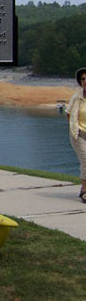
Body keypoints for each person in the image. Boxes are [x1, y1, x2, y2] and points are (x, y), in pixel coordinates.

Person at [66, 67, 86, 201]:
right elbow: (68, 114)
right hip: (79, 134)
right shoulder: (76, 97)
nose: (85, 81)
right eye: (83, 79)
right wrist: (74, 127)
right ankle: (85, 190)